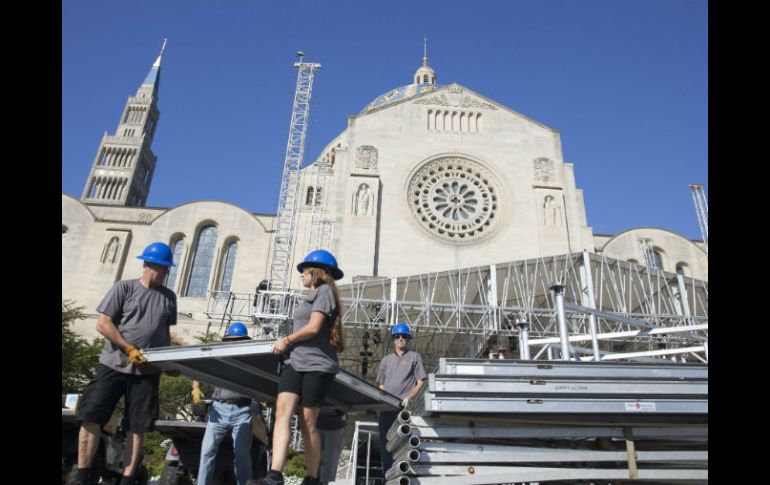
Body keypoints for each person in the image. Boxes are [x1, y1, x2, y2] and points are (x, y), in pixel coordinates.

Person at [74, 242, 177, 485]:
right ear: (148, 264)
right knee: (92, 418)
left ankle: (128, 480)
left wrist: (169, 361)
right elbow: (103, 323)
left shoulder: (168, 297)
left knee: (137, 427)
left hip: (146, 372)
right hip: (112, 365)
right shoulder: (125, 288)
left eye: (167, 268)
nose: (165, 272)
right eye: (162, 267)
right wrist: (127, 347)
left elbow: (164, 333)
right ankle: (81, 476)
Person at [249, 249, 345, 485]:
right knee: (282, 412)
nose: (301, 273)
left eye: (304, 269)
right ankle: (274, 474)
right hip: (294, 362)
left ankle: (312, 478)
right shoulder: (308, 297)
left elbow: (313, 328)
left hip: (316, 365)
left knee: (307, 421)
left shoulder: (324, 292)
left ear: (317, 271)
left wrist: (287, 340)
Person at [192, 321, 261, 485]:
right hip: (219, 409)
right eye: (232, 339)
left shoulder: (250, 361)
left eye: (238, 340)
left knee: (242, 454)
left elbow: (262, 381)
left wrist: (262, 402)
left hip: (242, 410)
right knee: (207, 451)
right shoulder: (220, 357)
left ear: (244, 341)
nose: (234, 342)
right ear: (227, 340)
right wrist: (196, 388)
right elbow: (196, 366)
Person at [376, 323, 427, 474]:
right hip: (387, 408)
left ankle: (406, 475)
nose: (400, 339)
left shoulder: (414, 357)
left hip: (405, 409)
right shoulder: (386, 360)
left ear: (408, 339)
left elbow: (421, 381)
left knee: (405, 441)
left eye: (404, 336)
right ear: (393, 340)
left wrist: (410, 397)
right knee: (386, 443)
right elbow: (381, 384)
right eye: (397, 337)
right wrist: (385, 399)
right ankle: (388, 476)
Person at [316, 408, 348, 484]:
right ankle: (313, 479)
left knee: (330, 458)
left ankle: (323, 482)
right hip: (315, 418)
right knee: (315, 457)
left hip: (336, 422)